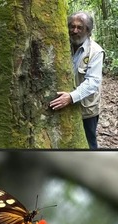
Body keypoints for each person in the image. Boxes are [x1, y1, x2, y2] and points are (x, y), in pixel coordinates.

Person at [49, 11, 104, 149]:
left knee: (88, 142)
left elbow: (93, 82)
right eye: (72, 26)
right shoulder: (61, 45)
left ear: (88, 31)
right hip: (63, 104)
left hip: (86, 109)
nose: (75, 31)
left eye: (80, 27)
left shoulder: (96, 51)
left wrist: (71, 97)